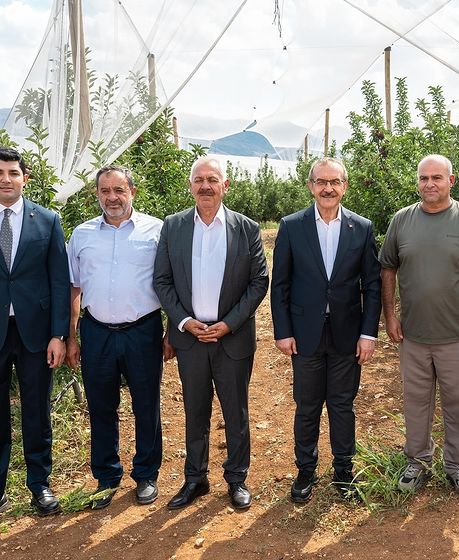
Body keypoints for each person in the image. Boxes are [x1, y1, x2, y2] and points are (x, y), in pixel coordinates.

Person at [153, 156, 268, 510]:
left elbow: (258, 281)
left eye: (212, 180)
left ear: (225, 185)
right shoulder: (173, 227)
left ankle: (237, 479)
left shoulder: (246, 228)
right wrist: (185, 322)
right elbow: (162, 280)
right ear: (191, 186)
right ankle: (195, 478)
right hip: (190, 338)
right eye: (199, 180)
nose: (205, 186)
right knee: (195, 410)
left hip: (231, 338)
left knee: (236, 412)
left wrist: (228, 323)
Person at [379, 154, 459, 497]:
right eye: (423, 178)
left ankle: (458, 466)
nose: (429, 184)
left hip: (458, 337)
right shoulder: (402, 221)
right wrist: (390, 315)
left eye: (437, 178)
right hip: (413, 337)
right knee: (416, 403)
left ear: (451, 181)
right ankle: (417, 461)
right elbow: (388, 269)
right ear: (417, 182)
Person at [271, 157, 381, 503]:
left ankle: (343, 471)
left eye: (335, 182)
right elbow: (281, 285)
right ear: (310, 186)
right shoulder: (292, 226)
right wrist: (283, 331)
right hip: (304, 334)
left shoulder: (361, 228)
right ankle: (305, 471)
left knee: (342, 404)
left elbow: (372, 286)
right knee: (306, 405)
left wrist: (369, 333)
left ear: (345, 186)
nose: (328, 188)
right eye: (321, 182)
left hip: (348, 334)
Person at [66, 165, 171, 509]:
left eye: (119, 190)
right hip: (96, 331)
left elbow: (170, 283)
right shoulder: (81, 235)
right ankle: (107, 476)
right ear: (96, 194)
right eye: (105, 191)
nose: (112, 197)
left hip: (143, 329)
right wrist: (71, 336)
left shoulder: (156, 230)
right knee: (101, 406)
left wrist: (172, 330)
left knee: (146, 404)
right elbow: (74, 287)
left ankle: (146, 475)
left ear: (132, 192)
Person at [0, 147, 70, 516]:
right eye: (0, 173)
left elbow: (60, 282)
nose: (5, 179)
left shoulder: (47, 220)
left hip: (36, 335)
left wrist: (59, 334)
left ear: (25, 178)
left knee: (36, 412)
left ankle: (39, 485)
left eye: (12, 172)